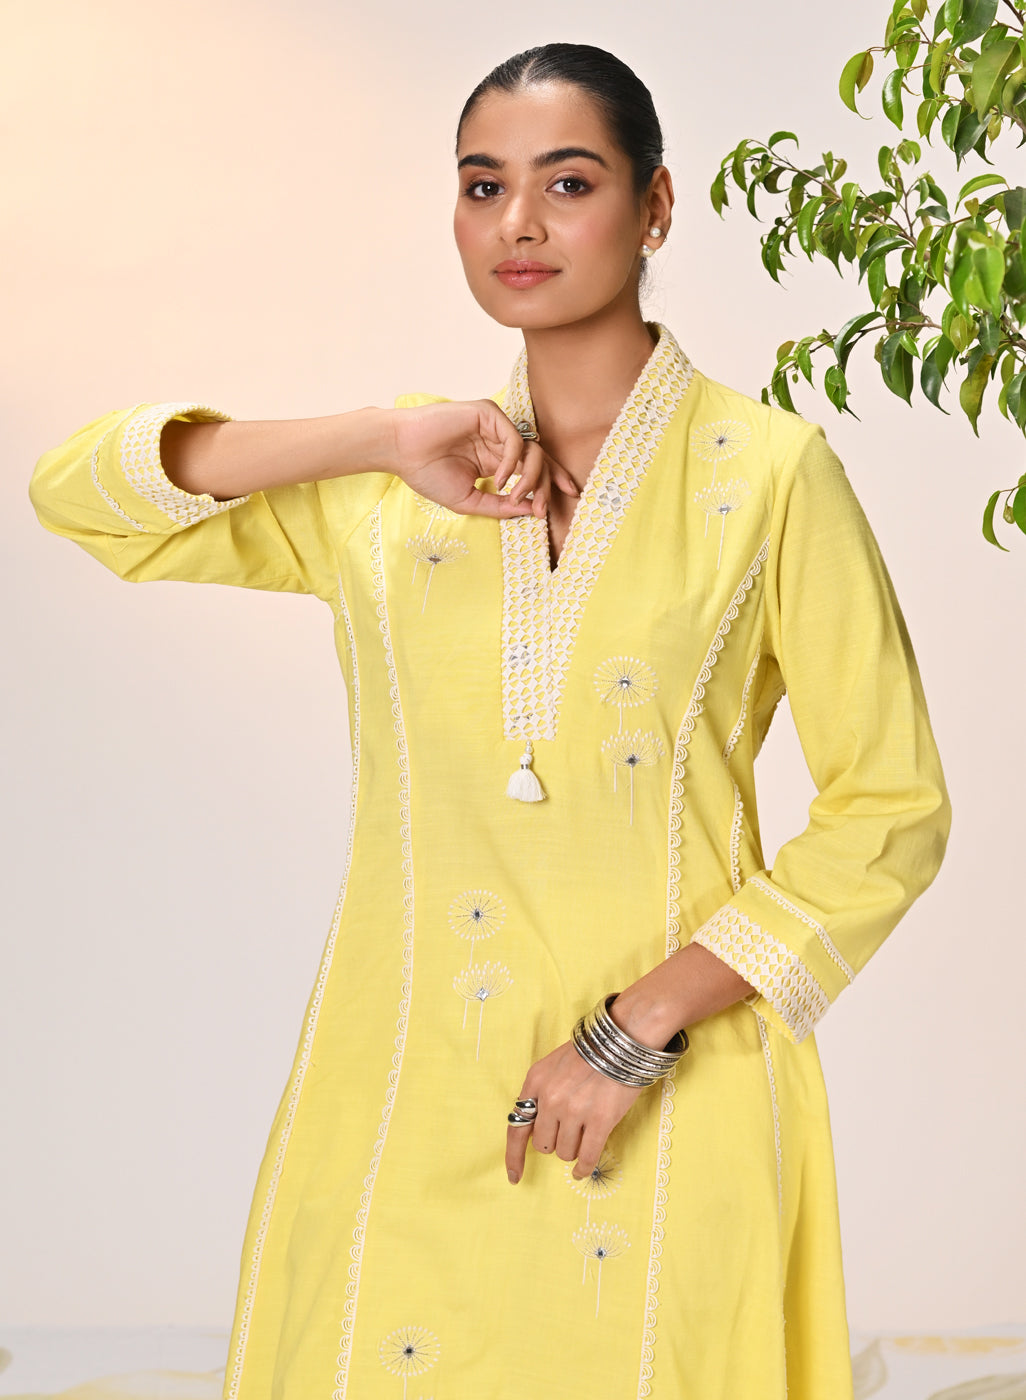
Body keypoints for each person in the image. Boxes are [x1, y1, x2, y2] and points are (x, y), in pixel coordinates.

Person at [29, 40, 950, 1400]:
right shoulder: (399, 476)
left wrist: (628, 1034)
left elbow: (890, 812)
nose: (516, 222)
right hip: (398, 1076)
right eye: (480, 185)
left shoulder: (769, 475)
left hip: (663, 1079)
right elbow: (81, 492)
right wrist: (371, 437)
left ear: (653, 207)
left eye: (565, 182)